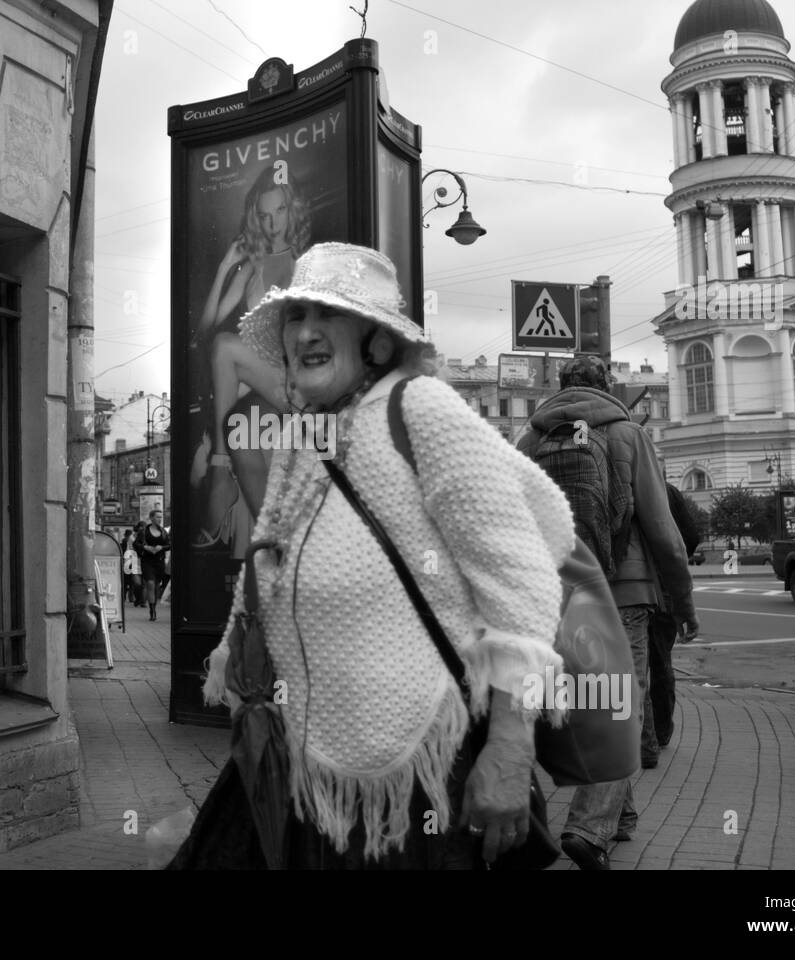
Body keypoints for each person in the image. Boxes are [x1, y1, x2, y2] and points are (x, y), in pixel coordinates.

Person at [200, 243, 576, 868]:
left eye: (330, 315)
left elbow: (521, 586)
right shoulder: (308, 429)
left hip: (419, 787)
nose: (307, 333)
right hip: (296, 768)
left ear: (376, 338)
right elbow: (267, 557)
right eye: (296, 317)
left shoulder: (420, 409)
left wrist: (510, 748)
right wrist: (237, 661)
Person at [518, 355, 699, 870]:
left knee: (583, 699)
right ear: (609, 386)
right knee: (623, 704)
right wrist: (683, 603)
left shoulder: (530, 440)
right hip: (626, 592)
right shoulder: (628, 434)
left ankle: (619, 816)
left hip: (560, 594)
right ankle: (589, 825)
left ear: (558, 386)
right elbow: (663, 532)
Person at [191, 167, 312, 557]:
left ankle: (219, 471)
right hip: (258, 386)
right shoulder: (251, 266)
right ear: (255, 217)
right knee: (223, 349)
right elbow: (206, 328)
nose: (273, 222)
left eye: (280, 211)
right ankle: (274, 552)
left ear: (292, 211)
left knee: (227, 349)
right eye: (264, 214)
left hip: (296, 385)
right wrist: (226, 267)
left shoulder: (309, 263)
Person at [645, 483, 702, 762]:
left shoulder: (614, 481)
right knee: (659, 660)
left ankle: (638, 731)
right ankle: (660, 730)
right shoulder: (666, 492)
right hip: (663, 588)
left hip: (622, 587)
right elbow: (691, 536)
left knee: (626, 663)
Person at [137, 509, 170, 621]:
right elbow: (136, 543)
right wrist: (145, 547)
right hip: (147, 561)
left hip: (159, 561)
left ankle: (153, 606)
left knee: (155, 586)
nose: (159, 519)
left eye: (161, 517)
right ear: (151, 518)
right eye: (157, 517)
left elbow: (169, 545)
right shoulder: (144, 531)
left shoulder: (164, 532)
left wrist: (161, 547)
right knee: (150, 583)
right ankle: (152, 611)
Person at [121, 531, 143, 607]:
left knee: (128, 582)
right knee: (132, 582)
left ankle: (128, 598)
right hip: (132, 562)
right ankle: (133, 598)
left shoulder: (127, 541)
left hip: (130, 562)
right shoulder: (131, 541)